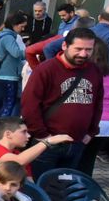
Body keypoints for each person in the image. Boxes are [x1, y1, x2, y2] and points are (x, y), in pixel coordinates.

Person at [20, 28, 104, 177]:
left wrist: (91, 132)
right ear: (65, 46)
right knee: (43, 188)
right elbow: (29, 105)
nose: (83, 54)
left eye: (88, 50)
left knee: (65, 188)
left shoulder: (94, 70)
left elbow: (97, 103)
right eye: (78, 49)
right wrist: (43, 136)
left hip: (77, 142)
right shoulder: (46, 69)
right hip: (48, 142)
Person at [0, 116, 73, 178]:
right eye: (23, 132)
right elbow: (19, 161)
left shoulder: (18, 154)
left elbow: (30, 183)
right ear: (8, 134)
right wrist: (47, 142)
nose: (28, 136)